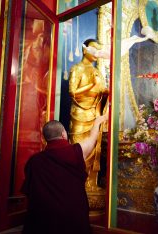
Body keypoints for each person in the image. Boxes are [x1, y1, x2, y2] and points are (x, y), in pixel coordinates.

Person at [21, 114, 108, 234]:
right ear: (63, 134)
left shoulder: (34, 161)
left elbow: (29, 192)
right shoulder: (76, 151)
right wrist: (98, 121)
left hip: (43, 219)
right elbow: (91, 140)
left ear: (45, 138)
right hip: (72, 217)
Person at [68, 39, 109, 193]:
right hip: (80, 112)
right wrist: (92, 84)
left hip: (95, 114)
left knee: (94, 149)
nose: (97, 53)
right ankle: (77, 184)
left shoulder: (97, 72)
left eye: (100, 50)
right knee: (79, 148)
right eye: (94, 49)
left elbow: (101, 94)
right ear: (85, 50)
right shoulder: (77, 68)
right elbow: (72, 92)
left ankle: (91, 184)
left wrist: (106, 92)